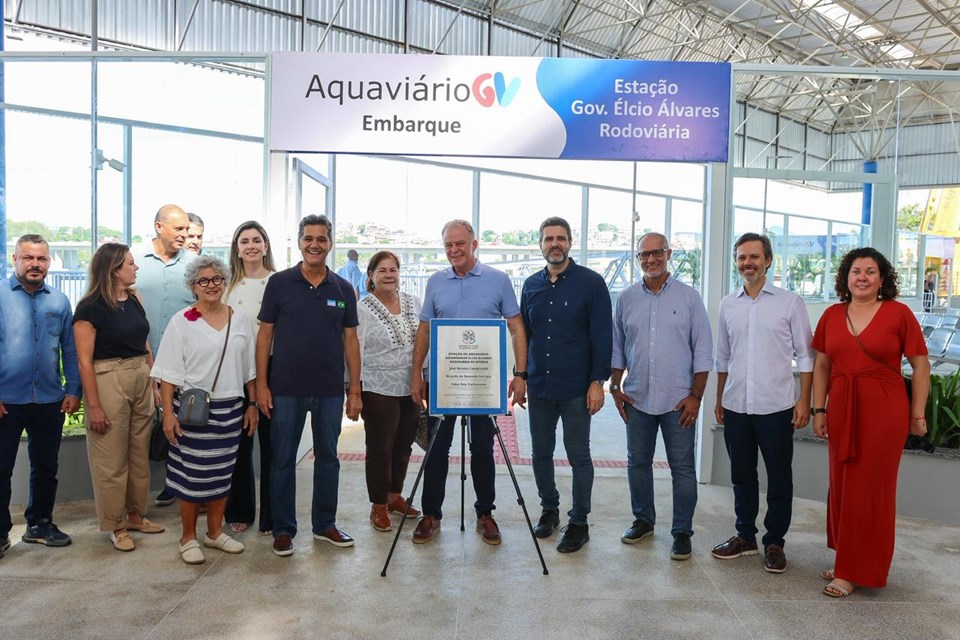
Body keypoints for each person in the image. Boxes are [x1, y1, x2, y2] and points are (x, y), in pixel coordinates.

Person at [812, 247, 930, 598]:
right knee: (843, 485)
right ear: (845, 278)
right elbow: (822, 365)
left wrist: (917, 414)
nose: (862, 277)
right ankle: (848, 559)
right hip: (842, 408)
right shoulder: (832, 314)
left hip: (884, 411)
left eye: (870, 271)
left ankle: (855, 571)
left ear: (882, 279)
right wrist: (819, 410)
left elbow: (920, 366)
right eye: (856, 271)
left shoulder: (898, 313)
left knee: (871, 490)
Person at [410, 219, 528, 545]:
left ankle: (485, 513)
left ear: (474, 244)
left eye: (460, 243)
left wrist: (520, 374)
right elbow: (424, 330)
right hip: (443, 381)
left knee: (483, 449)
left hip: (482, 382)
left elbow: (516, 327)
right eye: (448, 245)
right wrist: (416, 374)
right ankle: (431, 514)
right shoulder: (435, 281)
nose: (454, 250)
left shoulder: (498, 280)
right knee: (436, 448)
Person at [257, 214, 361, 557]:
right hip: (285, 388)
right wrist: (262, 385)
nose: (315, 244)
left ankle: (325, 524)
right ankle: (283, 530)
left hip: (329, 389)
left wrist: (354, 390)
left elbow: (351, 341)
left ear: (330, 244)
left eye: (321, 239)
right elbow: (265, 335)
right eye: (308, 238)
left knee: (328, 457)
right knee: (283, 459)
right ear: (300, 242)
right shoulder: (279, 283)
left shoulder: (343, 289)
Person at [713, 232, 814, 574]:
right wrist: (720, 398)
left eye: (754, 257)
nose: (748, 263)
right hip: (736, 404)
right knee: (742, 475)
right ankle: (745, 536)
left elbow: (806, 355)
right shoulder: (728, 304)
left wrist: (805, 400)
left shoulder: (790, 303)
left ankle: (775, 542)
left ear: (768, 261)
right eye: (742, 257)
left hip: (777, 406)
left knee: (779, 477)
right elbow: (723, 356)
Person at [151, 255, 259, 564]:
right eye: (203, 280)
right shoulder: (181, 321)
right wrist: (168, 415)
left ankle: (214, 533)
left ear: (225, 282)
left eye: (216, 279)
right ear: (193, 286)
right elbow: (168, 373)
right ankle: (187, 537)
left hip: (231, 409)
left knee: (222, 474)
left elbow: (249, 370)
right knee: (191, 476)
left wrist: (252, 405)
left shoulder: (239, 319)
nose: (211, 285)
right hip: (191, 410)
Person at [611, 232, 712, 561]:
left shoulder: (689, 298)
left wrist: (696, 396)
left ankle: (682, 532)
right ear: (638, 258)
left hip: (678, 401)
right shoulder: (626, 299)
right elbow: (618, 348)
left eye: (657, 253)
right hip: (637, 398)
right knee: (637, 463)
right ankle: (643, 520)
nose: (651, 259)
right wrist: (614, 387)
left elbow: (703, 352)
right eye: (644, 254)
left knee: (682, 468)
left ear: (668, 254)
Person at [520, 217, 611, 553]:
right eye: (548, 239)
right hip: (539, 386)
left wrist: (597, 382)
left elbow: (602, 335)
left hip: (576, 388)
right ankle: (550, 510)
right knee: (541, 453)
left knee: (579, 456)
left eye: (560, 238)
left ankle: (579, 522)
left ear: (570, 242)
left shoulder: (591, 283)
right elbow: (523, 335)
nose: (554, 244)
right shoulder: (531, 285)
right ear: (540, 245)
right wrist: (520, 375)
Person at [74, 243, 165, 552]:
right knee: (110, 458)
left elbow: (145, 343)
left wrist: (153, 382)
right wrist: (94, 406)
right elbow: (84, 361)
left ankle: (136, 515)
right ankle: (117, 525)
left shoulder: (135, 298)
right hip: (108, 377)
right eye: (130, 263)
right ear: (114, 270)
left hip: (140, 374)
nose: (135, 267)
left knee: (139, 454)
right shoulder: (89, 307)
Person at [0, 234, 81, 552]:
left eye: (42, 258)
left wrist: (73, 389)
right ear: (15, 260)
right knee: (1, 469)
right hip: (6, 400)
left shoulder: (59, 301)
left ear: (48, 262)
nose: (35, 264)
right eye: (28, 258)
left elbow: (70, 349)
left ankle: (40, 524)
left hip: (49, 399)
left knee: (46, 467)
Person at [357, 251, 423, 532]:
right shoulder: (362, 309)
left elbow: (424, 341)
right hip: (377, 386)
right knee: (380, 447)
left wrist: (425, 377)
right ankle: (378, 504)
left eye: (393, 269)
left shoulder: (414, 302)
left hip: (411, 385)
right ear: (371, 276)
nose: (388, 275)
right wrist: (353, 390)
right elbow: (354, 350)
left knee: (404, 444)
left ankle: (395, 496)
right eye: (382, 270)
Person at [136, 204, 195, 507]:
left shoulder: (195, 265)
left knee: (185, 425)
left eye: (187, 229)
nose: (185, 235)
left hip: (185, 365)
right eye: (179, 229)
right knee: (140, 430)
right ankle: (135, 502)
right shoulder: (132, 260)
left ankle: (180, 486)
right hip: (137, 363)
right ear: (159, 227)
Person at [223, 221, 276, 535]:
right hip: (236, 371)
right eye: (245, 241)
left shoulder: (278, 282)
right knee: (240, 444)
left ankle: (271, 516)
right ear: (237, 249)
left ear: (266, 246)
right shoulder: (227, 286)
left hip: (272, 369)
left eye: (257, 240)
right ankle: (239, 509)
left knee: (272, 445)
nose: (251, 246)